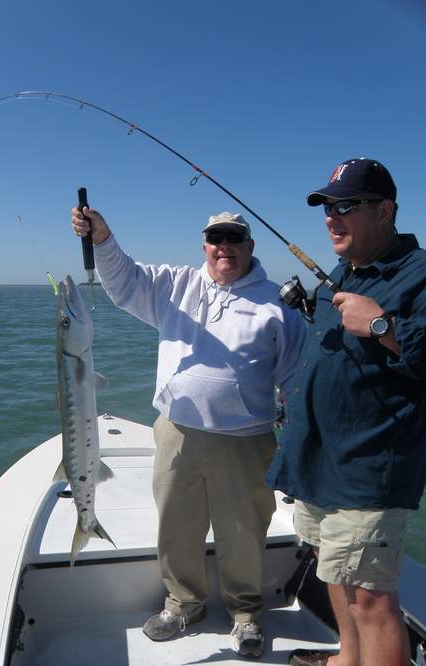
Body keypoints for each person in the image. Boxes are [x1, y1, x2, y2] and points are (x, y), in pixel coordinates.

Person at [72, 207, 305, 658]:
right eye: (216, 239)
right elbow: (123, 281)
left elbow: (294, 379)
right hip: (176, 432)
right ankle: (183, 604)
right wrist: (101, 239)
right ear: (204, 246)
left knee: (243, 531)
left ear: (250, 246)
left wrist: (299, 442)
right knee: (177, 525)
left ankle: (245, 613)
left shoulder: (278, 305)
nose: (224, 247)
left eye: (234, 238)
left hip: (246, 440)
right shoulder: (174, 285)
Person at [267, 158, 426, 666]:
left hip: (368, 467)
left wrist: (382, 326)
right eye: (327, 208)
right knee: (332, 573)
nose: (332, 218)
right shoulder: (343, 272)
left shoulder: (419, 274)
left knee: (369, 600)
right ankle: (346, 659)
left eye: (346, 206)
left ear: (385, 210)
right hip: (317, 462)